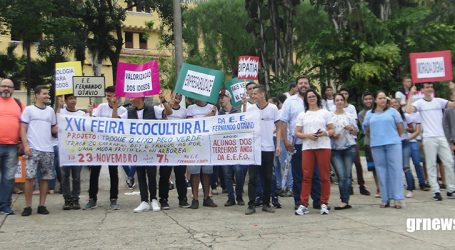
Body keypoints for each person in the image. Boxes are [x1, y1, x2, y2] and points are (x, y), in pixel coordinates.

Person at [120, 93, 172, 212]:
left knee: (152, 174)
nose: (130, 99)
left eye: (132, 97)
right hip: (138, 149)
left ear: (140, 97)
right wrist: (113, 107)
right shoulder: (128, 113)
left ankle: (153, 199)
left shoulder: (153, 109)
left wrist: (164, 101)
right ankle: (144, 201)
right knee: (141, 175)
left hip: (151, 149)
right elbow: (115, 123)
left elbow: (169, 113)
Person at [277, 75, 321, 210]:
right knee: (298, 174)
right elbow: (283, 122)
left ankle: (318, 201)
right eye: (300, 83)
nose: (303, 85)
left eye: (305, 83)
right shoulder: (290, 102)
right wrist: (285, 141)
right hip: (297, 143)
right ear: (296, 86)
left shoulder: (316, 100)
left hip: (315, 143)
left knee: (315, 173)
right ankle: (300, 201)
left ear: (309, 85)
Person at [406, 83, 455, 200]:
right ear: (422, 90)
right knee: (431, 164)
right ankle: (436, 191)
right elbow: (408, 110)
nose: (429, 89)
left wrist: (453, 90)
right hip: (428, 137)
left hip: (441, 136)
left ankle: (451, 189)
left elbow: (453, 104)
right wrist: (411, 95)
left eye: (431, 87)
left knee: (449, 163)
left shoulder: (439, 101)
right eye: (427, 87)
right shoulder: (419, 103)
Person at [85, 86, 127, 210]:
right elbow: (93, 122)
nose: (109, 98)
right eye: (107, 96)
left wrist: (114, 107)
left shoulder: (123, 110)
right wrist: (90, 113)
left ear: (117, 96)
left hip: (113, 145)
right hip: (99, 145)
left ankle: (113, 199)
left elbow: (115, 123)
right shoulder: (101, 108)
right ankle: (92, 199)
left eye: (112, 96)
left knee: (113, 172)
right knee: (94, 172)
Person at [294, 89, 334, 216]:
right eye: (309, 97)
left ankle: (324, 203)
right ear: (306, 99)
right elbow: (297, 132)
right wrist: (308, 135)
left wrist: (325, 133)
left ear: (317, 98)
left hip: (323, 145)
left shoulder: (325, 113)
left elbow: (332, 130)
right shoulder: (302, 115)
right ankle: (304, 203)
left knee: (324, 176)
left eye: (313, 96)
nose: (311, 98)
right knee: (306, 176)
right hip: (308, 147)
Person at [20, 85, 57, 216]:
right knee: (29, 178)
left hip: (48, 150)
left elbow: (53, 130)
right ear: (37, 95)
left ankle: (42, 205)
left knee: (45, 179)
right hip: (33, 148)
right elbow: (23, 128)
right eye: (44, 94)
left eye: (48, 94)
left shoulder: (51, 111)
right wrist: (25, 145)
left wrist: (62, 125)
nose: (47, 96)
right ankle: (28, 206)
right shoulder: (29, 110)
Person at [364, 91, 404, 208]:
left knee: (395, 170)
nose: (382, 100)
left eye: (384, 98)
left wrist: (393, 137)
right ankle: (385, 198)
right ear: (375, 100)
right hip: (377, 145)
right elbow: (367, 129)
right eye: (380, 98)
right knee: (381, 171)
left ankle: (397, 198)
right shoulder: (369, 114)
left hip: (393, 144)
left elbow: (400, 127)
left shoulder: (393, 112)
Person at [245, 86, 280, 215]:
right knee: (253, 177)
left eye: (255, 93)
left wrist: (278, 145)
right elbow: (243, 120)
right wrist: (244, 105)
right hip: (254, 148)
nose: (252, 96)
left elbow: (279, 126)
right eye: (251, 93)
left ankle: (266, 203)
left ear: (262, 94)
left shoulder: (273, 108)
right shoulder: (250, 108)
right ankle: (251, 204)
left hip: (268, 147)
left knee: (267, 177)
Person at [158, 92, 191, 209]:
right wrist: (165, 102)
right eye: (176, 94)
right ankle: (163, 199)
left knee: (180, 175)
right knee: (164, 175)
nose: (178, 97)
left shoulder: (184, 111)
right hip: (166, 147)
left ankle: (183, 199)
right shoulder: (162, 108)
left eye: (180, 95)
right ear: (171, 95)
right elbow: (167, 112)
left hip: (180, 147)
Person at [55, 94, 86, 210]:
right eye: (70, 99)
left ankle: (75, 198)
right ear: (66, 100)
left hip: (77, 150)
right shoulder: (62, 113)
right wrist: (59, 104)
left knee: (77, 177)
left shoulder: (81, 114)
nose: (73, 101)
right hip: (65, 150)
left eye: (74, 98)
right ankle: (67, 199)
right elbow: (56, 119)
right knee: (65, 176)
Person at [218, 89, 247, 206]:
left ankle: (239, 195)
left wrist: (245, 106)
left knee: (239, 171)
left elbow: (245, 120)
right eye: (220, 97)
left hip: (237, 147)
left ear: (229, 98)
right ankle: (231, 197)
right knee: (227, 173)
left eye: (223, 97)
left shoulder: (237, 111)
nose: (221, 99)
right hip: (224, 148)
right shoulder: (218, 113)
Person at [338, 88, 370, 196]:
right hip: (340, 140)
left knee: (357, 162)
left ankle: (361, 185)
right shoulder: (335, 109)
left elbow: (355, 122)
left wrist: (350, 128)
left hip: (352, 138)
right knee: (347, 165)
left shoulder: (351, 107)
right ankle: (349, 186)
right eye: (342, 94)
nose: (344, 96)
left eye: (346, 93)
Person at [186, 99, 218, 209]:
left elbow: (216, 124)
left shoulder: (213, 107)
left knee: (207, 172)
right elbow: (192, 125)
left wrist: (212, 115)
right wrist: (209, 116)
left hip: (208, 144)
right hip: (194, 144)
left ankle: (206, 198)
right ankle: (195, 199)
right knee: (194, 172)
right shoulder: (190, 109)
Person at [0, 79, 25, 215]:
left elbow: (24, 125)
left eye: (9, 87)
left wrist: (22, 142)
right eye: (3, 86)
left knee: (9, 178)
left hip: (12, 146)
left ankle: (5, 205)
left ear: (13, 89)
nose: (6, 88)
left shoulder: (19, 104)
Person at [330, 94, 357, 210]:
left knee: (347, 175)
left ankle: (345, 201)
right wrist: (333, 134)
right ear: (334, 102)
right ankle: (344, 199)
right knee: (341, 175)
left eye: (341, 100)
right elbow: (327, 131)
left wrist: (351, 129)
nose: (339, 102)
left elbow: (356, 132)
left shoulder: (349, 116)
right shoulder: (329, 116)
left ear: (344, 101)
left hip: (349, 147)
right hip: (335, 149)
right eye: (337, 100)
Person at [390, 98, 414, 198]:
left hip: (404, 142)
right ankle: (398, 188)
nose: (393, 104)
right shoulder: (389, 116)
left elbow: (412, 129)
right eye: (391, 103)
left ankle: (410, 188)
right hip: (393, 143)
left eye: (395, 102)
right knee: (395, 167)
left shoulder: (406, 116)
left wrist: (404, 128)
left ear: (399, 104)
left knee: (406, 166)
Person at [358, 92, 380, 197]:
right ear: (363, 101)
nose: (368, 101)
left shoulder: (380, 111)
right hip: (370, 143)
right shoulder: (362, 114)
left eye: (370, 99)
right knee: (374, 168)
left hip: (383, 142)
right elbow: (366, 130)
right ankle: (379, 188)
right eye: (366, 99)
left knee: (384, 166)